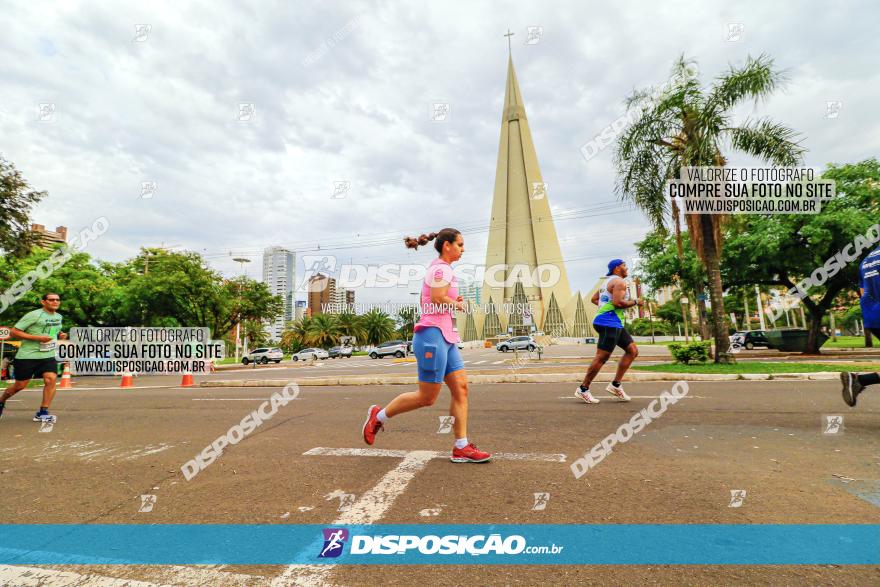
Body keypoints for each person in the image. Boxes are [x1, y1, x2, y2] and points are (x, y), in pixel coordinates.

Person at [362, 228, 491, 463]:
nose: (463, 249)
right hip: (432, 336)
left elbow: (434, 300)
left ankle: (461, 446)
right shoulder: (440, 268)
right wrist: (458, 305)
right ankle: (377, 416)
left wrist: (454, 302)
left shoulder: (444, 270)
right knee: (427, 397)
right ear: (447, 246)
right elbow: (438, 298)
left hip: (446, 337)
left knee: (461, 388)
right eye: (460, 245)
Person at [576, 259, 643, 404]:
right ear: (617, 268)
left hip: (614, 323)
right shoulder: (619, 282)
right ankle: (583, 389)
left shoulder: (606, 282)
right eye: (624, 265)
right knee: (602, 358)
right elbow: (618, 303)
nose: (626, 268)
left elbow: (595, 299)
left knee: (632, 351)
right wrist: (636, 302)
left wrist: (603, 307)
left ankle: (615, 385)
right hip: (608, 323)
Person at [0, 293, 67, 422]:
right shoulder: (34, 315)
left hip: (47, 355)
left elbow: (54, 331)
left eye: (57, 300)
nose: (55, 302)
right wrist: (37, 338)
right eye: (51, 300)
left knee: (51, 379)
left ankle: (43, 412)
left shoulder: (59, 317)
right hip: (28, 356)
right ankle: (1, 401)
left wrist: (60, 334)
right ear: (43, 302)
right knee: (19, 386)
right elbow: (14, 331)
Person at [841, 244, 880, 406]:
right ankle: (859, 380)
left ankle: (859, 380)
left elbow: (863, 292)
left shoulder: (866, 260)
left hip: (873, 316)